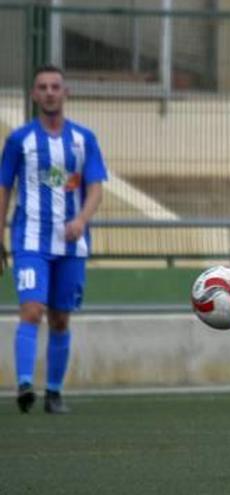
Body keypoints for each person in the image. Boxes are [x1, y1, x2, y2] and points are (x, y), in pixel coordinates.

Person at [0, 65, 108, 414]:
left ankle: (54, 393)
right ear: (34, 95)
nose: (49, 92)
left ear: (65, 93)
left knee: (60, 319)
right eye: (43, 87)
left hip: (71, 245)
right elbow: (4, 188)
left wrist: (81, 219)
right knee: (31, 310)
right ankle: (24, 384)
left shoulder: (84, 139)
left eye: (55, 87)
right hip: (30, 241)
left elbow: (95, 188)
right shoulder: (19, 141)